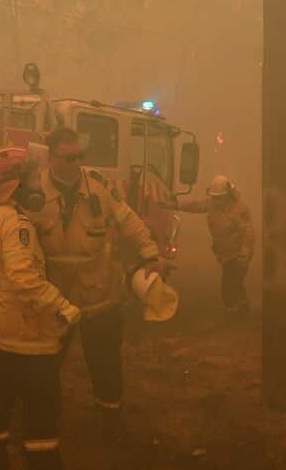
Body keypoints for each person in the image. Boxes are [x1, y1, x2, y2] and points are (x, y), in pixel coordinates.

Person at [28, 127, 163, 439]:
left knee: (105, 365)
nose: (76, 163)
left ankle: (110, 417)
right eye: (68, 157)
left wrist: (150, 253)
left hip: (100, 297)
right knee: (44, 366)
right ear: (50, 158)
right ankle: (45, 420)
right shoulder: (32, 193)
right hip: (55, 302)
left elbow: (128, 220)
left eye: (79, 156)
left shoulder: (98, 189)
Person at [0, 147, 81, 470]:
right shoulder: (16, 224)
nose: (37, 183)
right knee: (42, 402)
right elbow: (24, 278)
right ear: (14, 184)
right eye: (31, 177)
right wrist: (62, 306)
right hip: (26, 331)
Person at [174, 175, 255, 319]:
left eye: (219, 198)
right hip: (225, 254)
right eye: (214, 197)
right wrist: (176, 204)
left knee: (229, 284)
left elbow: (248, 232)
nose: (216, 200)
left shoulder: (239, 209)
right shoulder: (212, 204)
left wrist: (245, 252)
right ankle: (243, 306)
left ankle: (231, 312)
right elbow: (196, 206)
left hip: (239, 255)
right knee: (235, 283)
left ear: (228, 196)